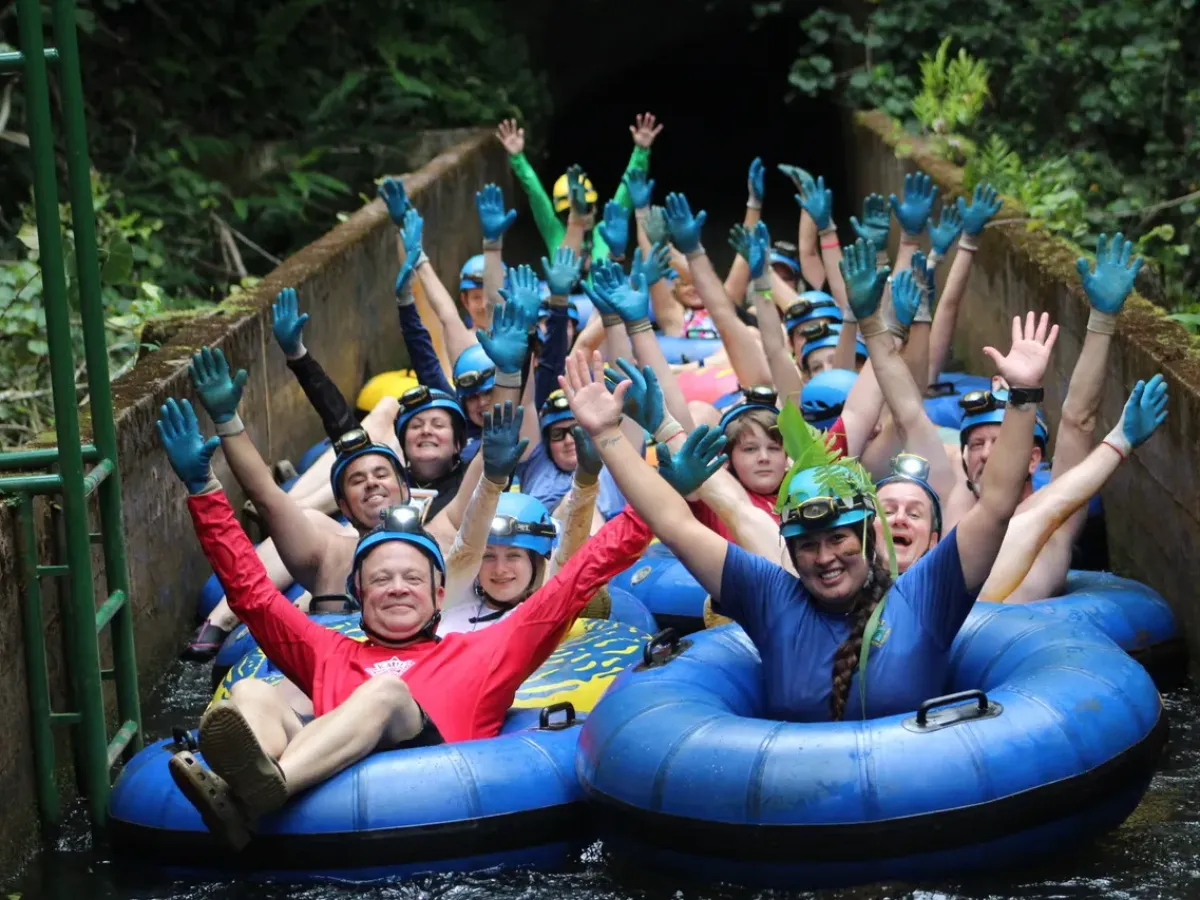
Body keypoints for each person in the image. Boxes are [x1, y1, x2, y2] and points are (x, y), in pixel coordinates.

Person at [156, 395, 660, 851]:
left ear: (440, 595)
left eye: (412, 579)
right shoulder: (326, 649)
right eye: (381, 579)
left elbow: (578, 578)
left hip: (435, 781)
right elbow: (250, 592)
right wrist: (203, 490)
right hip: (335, 782)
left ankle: (267, 792)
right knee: (250, 695)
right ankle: (252, 784)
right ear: (359, 593)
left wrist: (660, 500)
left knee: (386, 692)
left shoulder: (486, 649)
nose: (397, 587)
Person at [564, 295, 1056, 721]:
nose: (825, 558)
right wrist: (607, 435)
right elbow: (673, 525)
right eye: (808, 546)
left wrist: (1024, 396)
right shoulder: (770, 596)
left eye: (838, 538)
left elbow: (995, 505)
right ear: (791, 553)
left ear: (868, 536)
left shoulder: (927, 595)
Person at [496, 114, 662, 266]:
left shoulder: (608, 228)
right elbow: (535, 192)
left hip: (602, 298)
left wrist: (641, 151)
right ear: (560, 215)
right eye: (571, 210)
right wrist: (517, 158)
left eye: (586, 206)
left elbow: (627, 189)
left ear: (596, 206)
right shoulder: (554, 230)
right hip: (564, 299)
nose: (581, 214)